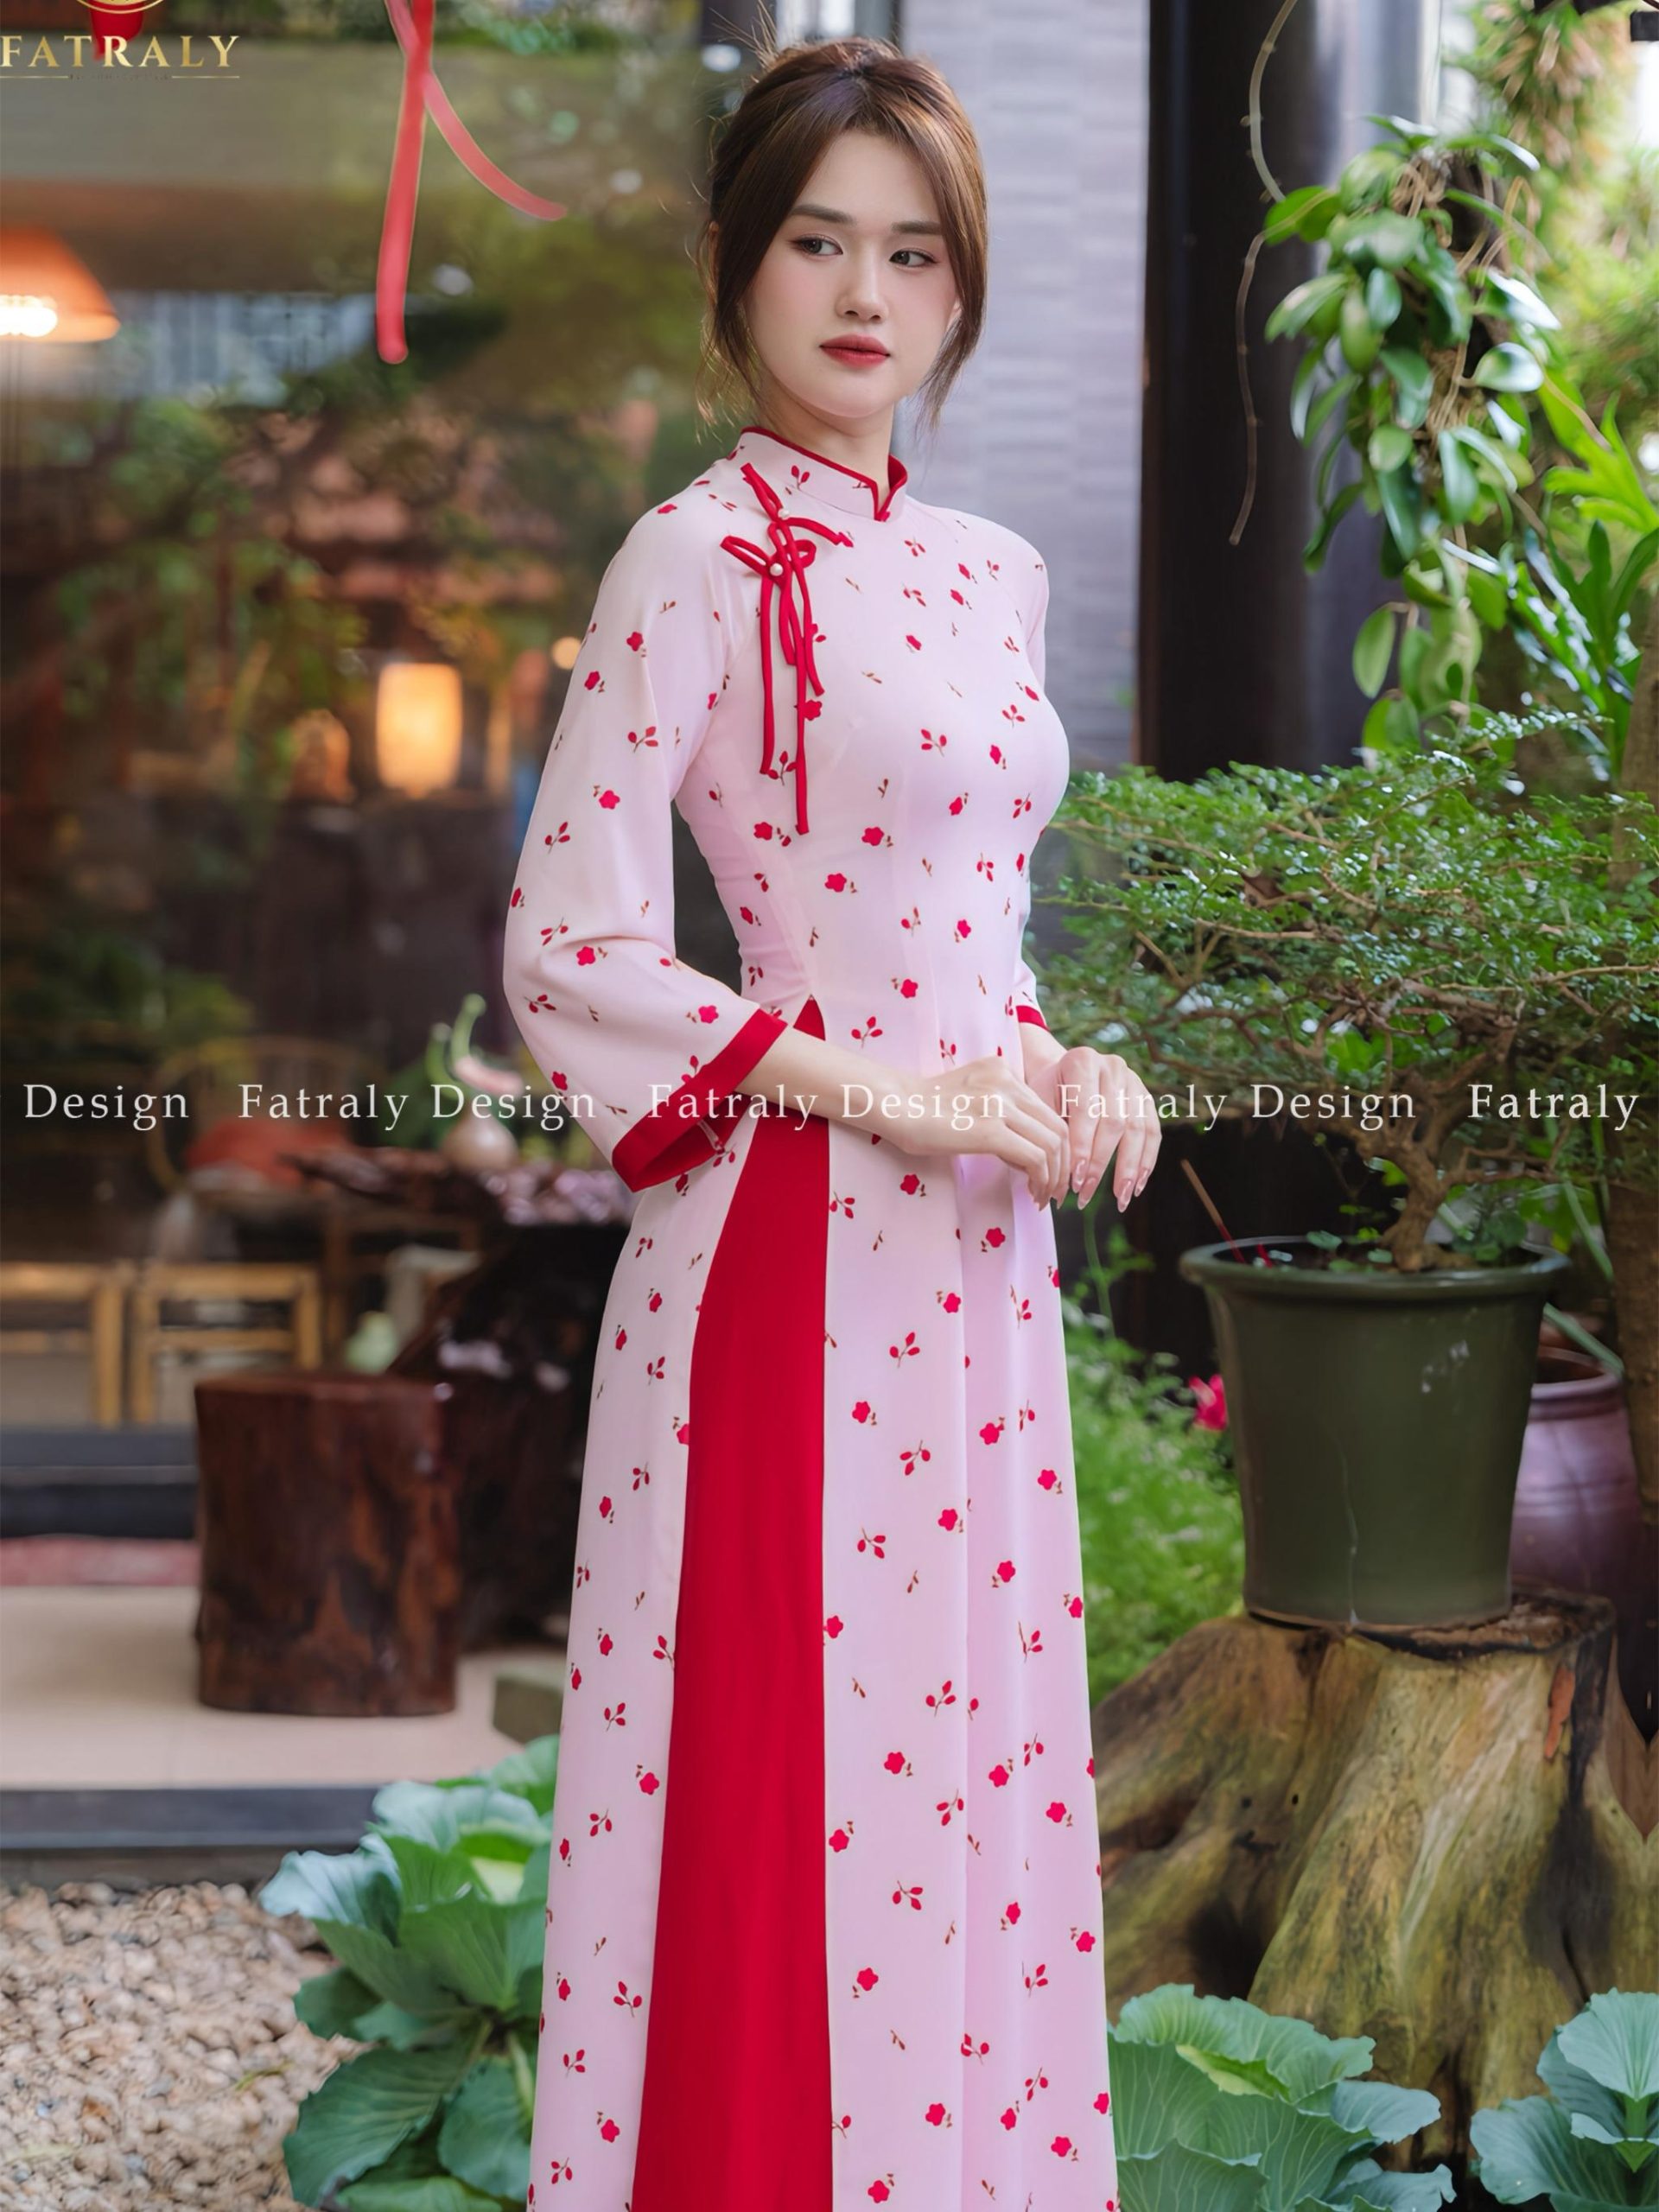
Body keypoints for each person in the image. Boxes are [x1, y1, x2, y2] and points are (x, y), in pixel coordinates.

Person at [503, 34, 1157, 2211]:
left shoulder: (993, 570)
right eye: (818, 243)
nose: (868, 296)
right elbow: (574, 944)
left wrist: (1064, 1066)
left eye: (915, 253)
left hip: (978, 1251)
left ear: (961, 287)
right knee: (788, 1790)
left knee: (965, 1766)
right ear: (734, 265)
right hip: (790, 1252)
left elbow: (976, 943)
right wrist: (891, 1090)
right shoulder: (690, 558)